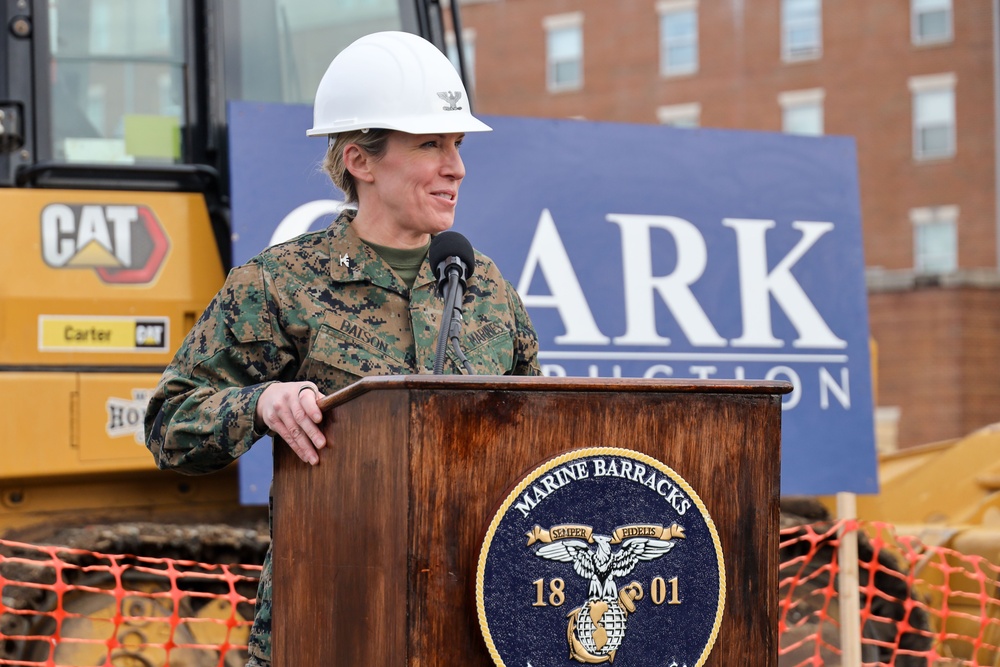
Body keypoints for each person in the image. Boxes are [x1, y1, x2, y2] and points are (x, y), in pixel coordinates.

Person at [143, 31, 540, 667]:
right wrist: (261, 402)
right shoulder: (279, 282)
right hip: (327, 621)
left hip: (469, 626)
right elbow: (169, 425)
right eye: (429, 145)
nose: (455, 167)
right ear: (360, 160)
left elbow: (540, 444)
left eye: (457, 145)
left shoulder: (486, 287)